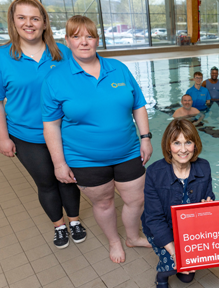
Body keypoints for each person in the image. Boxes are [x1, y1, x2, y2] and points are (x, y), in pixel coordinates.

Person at [41, 15, 153, 263]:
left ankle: (133, 237)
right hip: (85, 158)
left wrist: (145, 138)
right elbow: (50, 125)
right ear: (67, 40)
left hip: (128, 151)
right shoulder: (56, 78)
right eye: (76, 36)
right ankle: (114, 241)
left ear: (97, 40)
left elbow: (139, 105)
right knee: (103, 203)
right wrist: (59, 163)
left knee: (136, 200)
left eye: (89, 36)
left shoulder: (118, 68)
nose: (84, 42)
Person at [0, 0, 85, 249]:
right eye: (22, 18)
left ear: (45, 22)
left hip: (64, 132)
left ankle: (74, 220)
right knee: (47, 182)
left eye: (35, 18)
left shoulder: (60, 52)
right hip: (27, 135)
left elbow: (79, 85)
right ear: (13, 22)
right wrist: (3, 138)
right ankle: (59, 226)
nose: (29, 23)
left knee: (69, 178)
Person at [141, 119, 214, 288]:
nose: (183, 149)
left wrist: (208, 205)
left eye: (188, 142)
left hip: (189, 231)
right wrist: (176, 253)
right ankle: (161, 277)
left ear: (195, 144)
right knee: (172, 267)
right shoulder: (154, 173)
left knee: (187, 277)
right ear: (168, 146)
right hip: (162, 228)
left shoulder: (204, 167)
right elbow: (154, 219)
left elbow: (209, 195)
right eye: (177, 143)